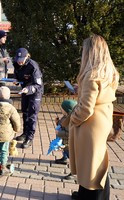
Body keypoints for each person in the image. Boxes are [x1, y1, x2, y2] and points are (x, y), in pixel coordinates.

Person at [69, 35, 119, 200]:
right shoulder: (108, 71)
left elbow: (85, 109)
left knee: (92, 164)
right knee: (95, 161)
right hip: (104, 117)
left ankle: (95, 197)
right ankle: (85, 194)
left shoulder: (91, 75)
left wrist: (72, 119)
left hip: (91, 123)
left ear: (90, 52)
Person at [13, 48, 43, 149]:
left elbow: (38, 84)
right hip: (25, 90)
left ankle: (30, 137)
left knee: (32, 115)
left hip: (35, 92)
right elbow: (17, 75)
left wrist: (29, 89)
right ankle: (25, 133)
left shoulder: (33, 66)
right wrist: (16, 80)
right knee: (25, 112)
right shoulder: (16, 63)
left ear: (27, 57)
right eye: (18, 58)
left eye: (22, 59)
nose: (19, 61)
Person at [0, 86, 21, 174]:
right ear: (9, 96)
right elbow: (16, 120)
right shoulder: (10, 108)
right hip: (6, 134)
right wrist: (17, 129)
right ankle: (2, 166)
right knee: (4, 150)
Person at [55, 100, 77, 181]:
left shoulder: (70, 120)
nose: (61, 110)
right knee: (65, 150)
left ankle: (74, 171)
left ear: (68, 111)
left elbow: (68, 133)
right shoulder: (66, 117)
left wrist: (59, 133)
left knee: (71, 156)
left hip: (68, 142)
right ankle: (64, 158)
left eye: (62, 109)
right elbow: (62, 125)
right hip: (64, 141)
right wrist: (58, 123)